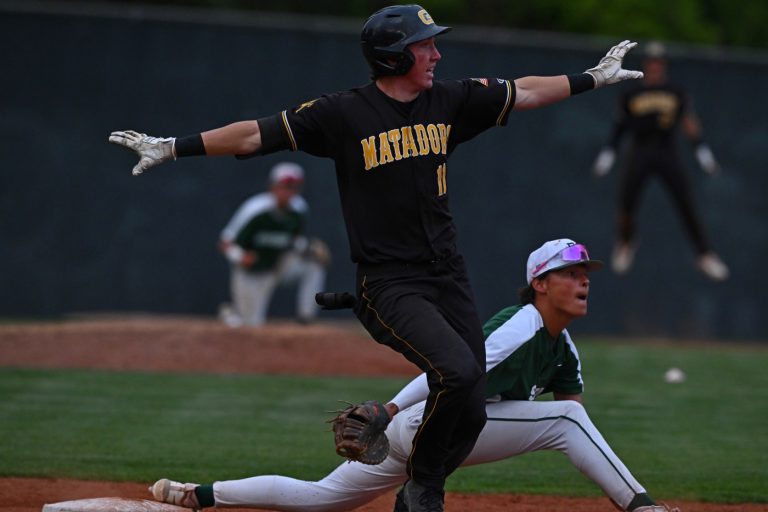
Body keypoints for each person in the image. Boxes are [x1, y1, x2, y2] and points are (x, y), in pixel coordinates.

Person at [109, 5, 643, 510]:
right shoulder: (343, 114)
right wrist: (174, 146)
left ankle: (409, 474)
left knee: (472, 405)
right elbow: (254, 135)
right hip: (391, 281)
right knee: (457, 372)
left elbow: (523, 91)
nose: (436, 55)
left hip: (447, 274)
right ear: (394, 56)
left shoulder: (449, 101)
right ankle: (424, 488)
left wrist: (592, 78)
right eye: (425, 46)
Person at [146, 238, 679, 512]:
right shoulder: (521, 325)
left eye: (585, 274)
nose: (583, 281)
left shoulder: (562, 347)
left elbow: (574, 410)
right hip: (424, 424)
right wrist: (390, 410)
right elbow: (449, 369)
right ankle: (644, 506)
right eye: (569, 273)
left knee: (321, 498)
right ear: (540, 283)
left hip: (443, 433)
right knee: (564, 420)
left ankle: (200, 494)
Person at [591, 41, 729, 281]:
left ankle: (705, 254)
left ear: (663, 65)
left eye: (659, 62)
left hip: (667, 150)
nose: (655, 66)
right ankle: (625, 241)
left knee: (685, 201)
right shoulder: (631, 93)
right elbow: (620, 126)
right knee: (626, 202)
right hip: (639, 150)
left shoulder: (675, 91)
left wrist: (702, 151)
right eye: (651, 62)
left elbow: (689, 122)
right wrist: (609, 153)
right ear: (646, 64)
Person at [217, 161, 330, 327]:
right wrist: (240, 256)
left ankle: (306, 318)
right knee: (251, 326)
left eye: (294, 187)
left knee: (314, 265)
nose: (288, 192)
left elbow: (292, 241)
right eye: (284, 186)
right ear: (272, 187)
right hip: (252, 272)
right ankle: (232, 315)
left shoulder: (299, 209)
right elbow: (225, 242)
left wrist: (307, 248)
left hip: (278, 266)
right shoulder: (255, 209)